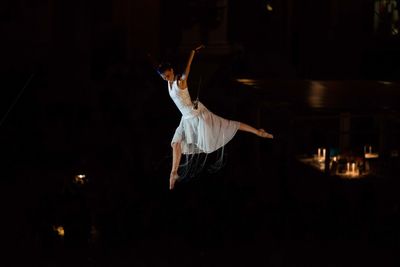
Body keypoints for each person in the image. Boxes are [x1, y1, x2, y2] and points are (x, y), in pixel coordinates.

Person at [158, 45, 273, 190]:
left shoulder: (180, 81)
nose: (165, 79)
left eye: (167, 76)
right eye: (163, 77)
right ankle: (173, 173)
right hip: (185, 119)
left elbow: (187, 69)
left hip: (197, 117)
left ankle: (258, 132)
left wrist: (192, 53)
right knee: (175, 144)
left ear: (172, 71)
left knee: (228, 124)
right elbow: (160, 69)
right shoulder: (168, 82)